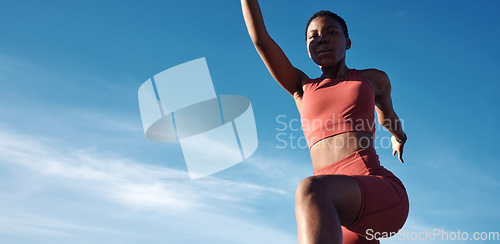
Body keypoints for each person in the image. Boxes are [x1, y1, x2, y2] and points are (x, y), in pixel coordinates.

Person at [241, 1, 409, 243]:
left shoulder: (372, 79)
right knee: (317, 195)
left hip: (376, 187)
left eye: (331, 32)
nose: (322, 39)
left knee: (310, 190)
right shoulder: (302, 88)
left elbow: (388, 115)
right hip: (339, 207)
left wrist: (398, 136)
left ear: (347, 42)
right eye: (313, 36)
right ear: (307, 47)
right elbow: (261, 40)